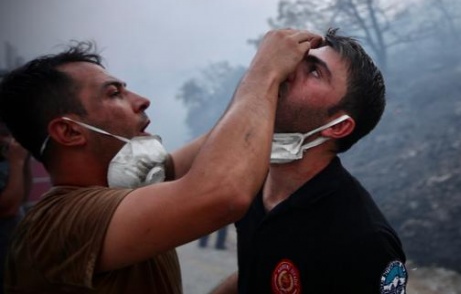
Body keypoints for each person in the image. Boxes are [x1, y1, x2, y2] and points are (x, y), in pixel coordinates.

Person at [0, 29, 323, 293]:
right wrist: (263, 73)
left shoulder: (132, 188)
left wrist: (273, 95)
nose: (141, 100)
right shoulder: (57, 221)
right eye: (114, 93)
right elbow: (222, 193)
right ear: (69, 131)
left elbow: (215, 148)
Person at [211, 28, 408, 294]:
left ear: (337, 126)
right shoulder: (254, 187)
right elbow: (256, 272)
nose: (288, 71)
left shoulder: (364, 239)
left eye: (315, 72)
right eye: (298, 61)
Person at [0, 122, 30, 294]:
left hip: (14, 248)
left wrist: (23, 163)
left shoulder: (6, 160)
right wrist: (17, 162)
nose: (7, 139)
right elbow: (7, 209)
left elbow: (22, 197)